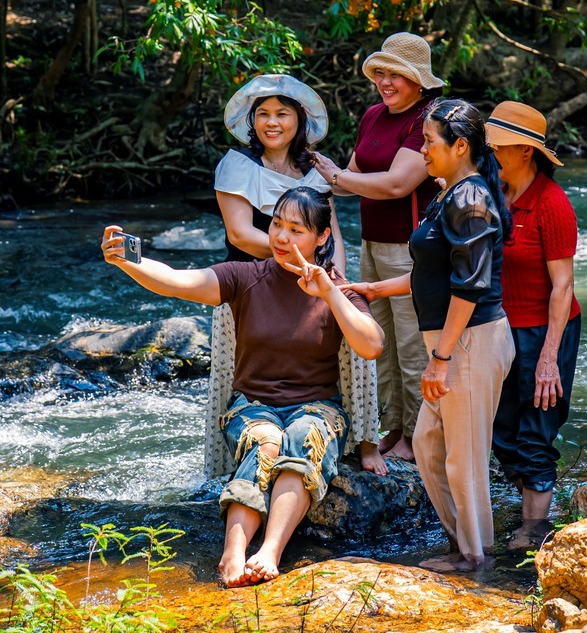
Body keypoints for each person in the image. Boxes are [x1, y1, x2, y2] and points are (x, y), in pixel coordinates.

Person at [101, 188, 384, 588]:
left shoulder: (339, 290)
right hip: (252, 406)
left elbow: (371, 345)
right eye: (277, 224)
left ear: (322, 237)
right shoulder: (246, 276)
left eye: (296, 230)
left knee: (304, 436)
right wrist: (128, 259)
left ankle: (270, 552)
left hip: (318, 407)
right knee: (267, 441)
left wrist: (329, 292)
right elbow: (179, 282)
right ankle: (233, 553)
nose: (281, 237)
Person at [344, 100, 515, 572]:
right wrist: (373, 288)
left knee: (463, 459)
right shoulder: (449, 193)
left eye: (428, 141)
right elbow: (431, 271)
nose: (421, 150)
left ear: (460, 147)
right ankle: (465, 545)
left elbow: (470, 287)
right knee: (427, 445)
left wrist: (440, 359)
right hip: (455, 341)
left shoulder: (470, 199)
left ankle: (475, 559)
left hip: (470, 342)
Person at [211, 74, 382, 475]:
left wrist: (336, 282)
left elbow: (332, 233)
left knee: (354, 357)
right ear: (251, 121)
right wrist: (301, 259)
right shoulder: (236, 164)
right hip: (254, 289)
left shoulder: (314, 168)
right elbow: (240, 234)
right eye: (263, 114)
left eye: (282, 114)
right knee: (244, 376)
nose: (272, 122)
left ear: (299, 120)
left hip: (317, 284)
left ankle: (364, 442)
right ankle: (244, 456)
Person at [313, 32, 443, 468]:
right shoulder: (373, 115)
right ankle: (392, 426)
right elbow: (350, 178)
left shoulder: (426, 119)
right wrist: (312, 174)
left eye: (396, 75)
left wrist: (335, 177)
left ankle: (416, 434)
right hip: (372, 243)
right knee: (378, 342)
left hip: (411, 247)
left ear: (418, 81)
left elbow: (396, 184)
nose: (385, 82)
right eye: (380, 74)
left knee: (412, 344)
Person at [485, 100, 581, 551]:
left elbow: (563, 287)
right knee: (500, 430)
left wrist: (549, 359)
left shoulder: (551, 203)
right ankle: (535, 504)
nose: (489, 153)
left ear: (526, 151)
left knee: (536, 428)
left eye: (497, 146)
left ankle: (533, 530)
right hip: (499, 328)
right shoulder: (493, 194)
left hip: (546, 331)